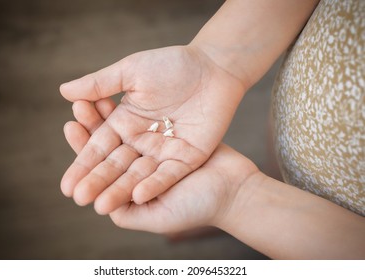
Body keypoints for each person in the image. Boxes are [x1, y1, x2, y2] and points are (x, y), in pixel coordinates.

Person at [60, 0, 365, 259]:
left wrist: (238, 200)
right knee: (281, 156)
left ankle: (260, 210)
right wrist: (214, 59)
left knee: (266, 195)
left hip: (334, 229)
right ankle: (272, 183)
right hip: (300, 112)